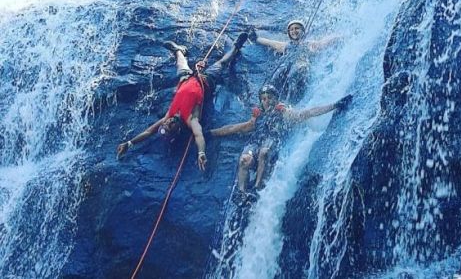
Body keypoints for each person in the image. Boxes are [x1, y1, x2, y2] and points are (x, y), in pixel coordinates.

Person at [116, 32, 249, 171]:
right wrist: (201, 153)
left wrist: (129, 143)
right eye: (170, 127)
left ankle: (179, 50)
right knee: (221, 63)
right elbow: (199, 136)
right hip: (205, 81)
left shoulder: (169, 116)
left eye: (166, 125)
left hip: (185, 80)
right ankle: (236, 47)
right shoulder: (191, 120)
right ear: (177, 130)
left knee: (181, 65)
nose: (168, 123)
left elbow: (149, 132)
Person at [206, 84, 352, 193]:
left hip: (271, 145)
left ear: (276, 99)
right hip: (255, 144)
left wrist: (334, 105)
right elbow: (234, 128)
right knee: (244, 160)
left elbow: (308, 113)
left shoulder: (283, 113)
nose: (266, 101)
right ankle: (242, 193)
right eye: (263, 99)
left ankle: (257, 187)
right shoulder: (256, 119)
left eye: (270, 98)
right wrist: (212, 133)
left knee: (264, 152)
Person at [248, 20, 340, 103]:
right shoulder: (286, 46)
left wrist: (339, 36)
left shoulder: (309, 44)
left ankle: (288, 103)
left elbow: (323, 42)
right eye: (291, 29)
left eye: (297, 28)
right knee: (276, 76)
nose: (294, 31)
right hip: (286, 69)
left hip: (300, 69)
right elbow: (270, 43)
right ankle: (270, 102)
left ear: (303, 31)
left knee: (298, 70)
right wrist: (256, 38)